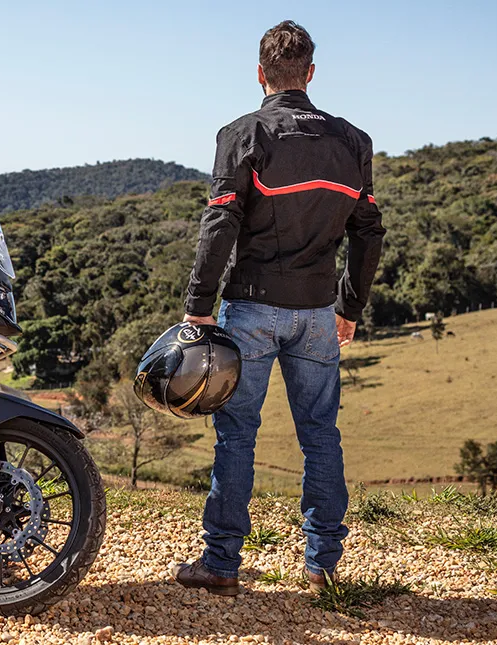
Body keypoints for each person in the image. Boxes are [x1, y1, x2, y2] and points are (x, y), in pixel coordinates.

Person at [170, 20, 386, 596]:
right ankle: (323, 566)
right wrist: (350, 307)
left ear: (260, 74)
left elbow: (221, 221)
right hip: (318, 312)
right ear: (310, 73)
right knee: (321, 435)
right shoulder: (354, 141)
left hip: (252, 308)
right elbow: (368, 231)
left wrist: (198, 306)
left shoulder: (242, 134)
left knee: (237, 435)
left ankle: (221, 565)